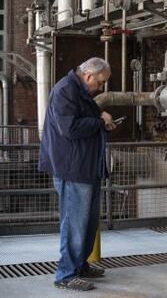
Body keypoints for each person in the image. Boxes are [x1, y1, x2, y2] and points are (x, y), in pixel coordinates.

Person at [39, 57, 116, 291]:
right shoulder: (65, 91)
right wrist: (100, 121)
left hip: (86, 167)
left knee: (89, 222)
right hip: (72, 170)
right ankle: (65, 275)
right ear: (89, 76)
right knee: (74, 224)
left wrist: (100, 122)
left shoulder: (79, 91)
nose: (101, 88)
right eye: (100, 83)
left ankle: (80, 265)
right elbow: (69, 128)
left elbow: (83, 123)